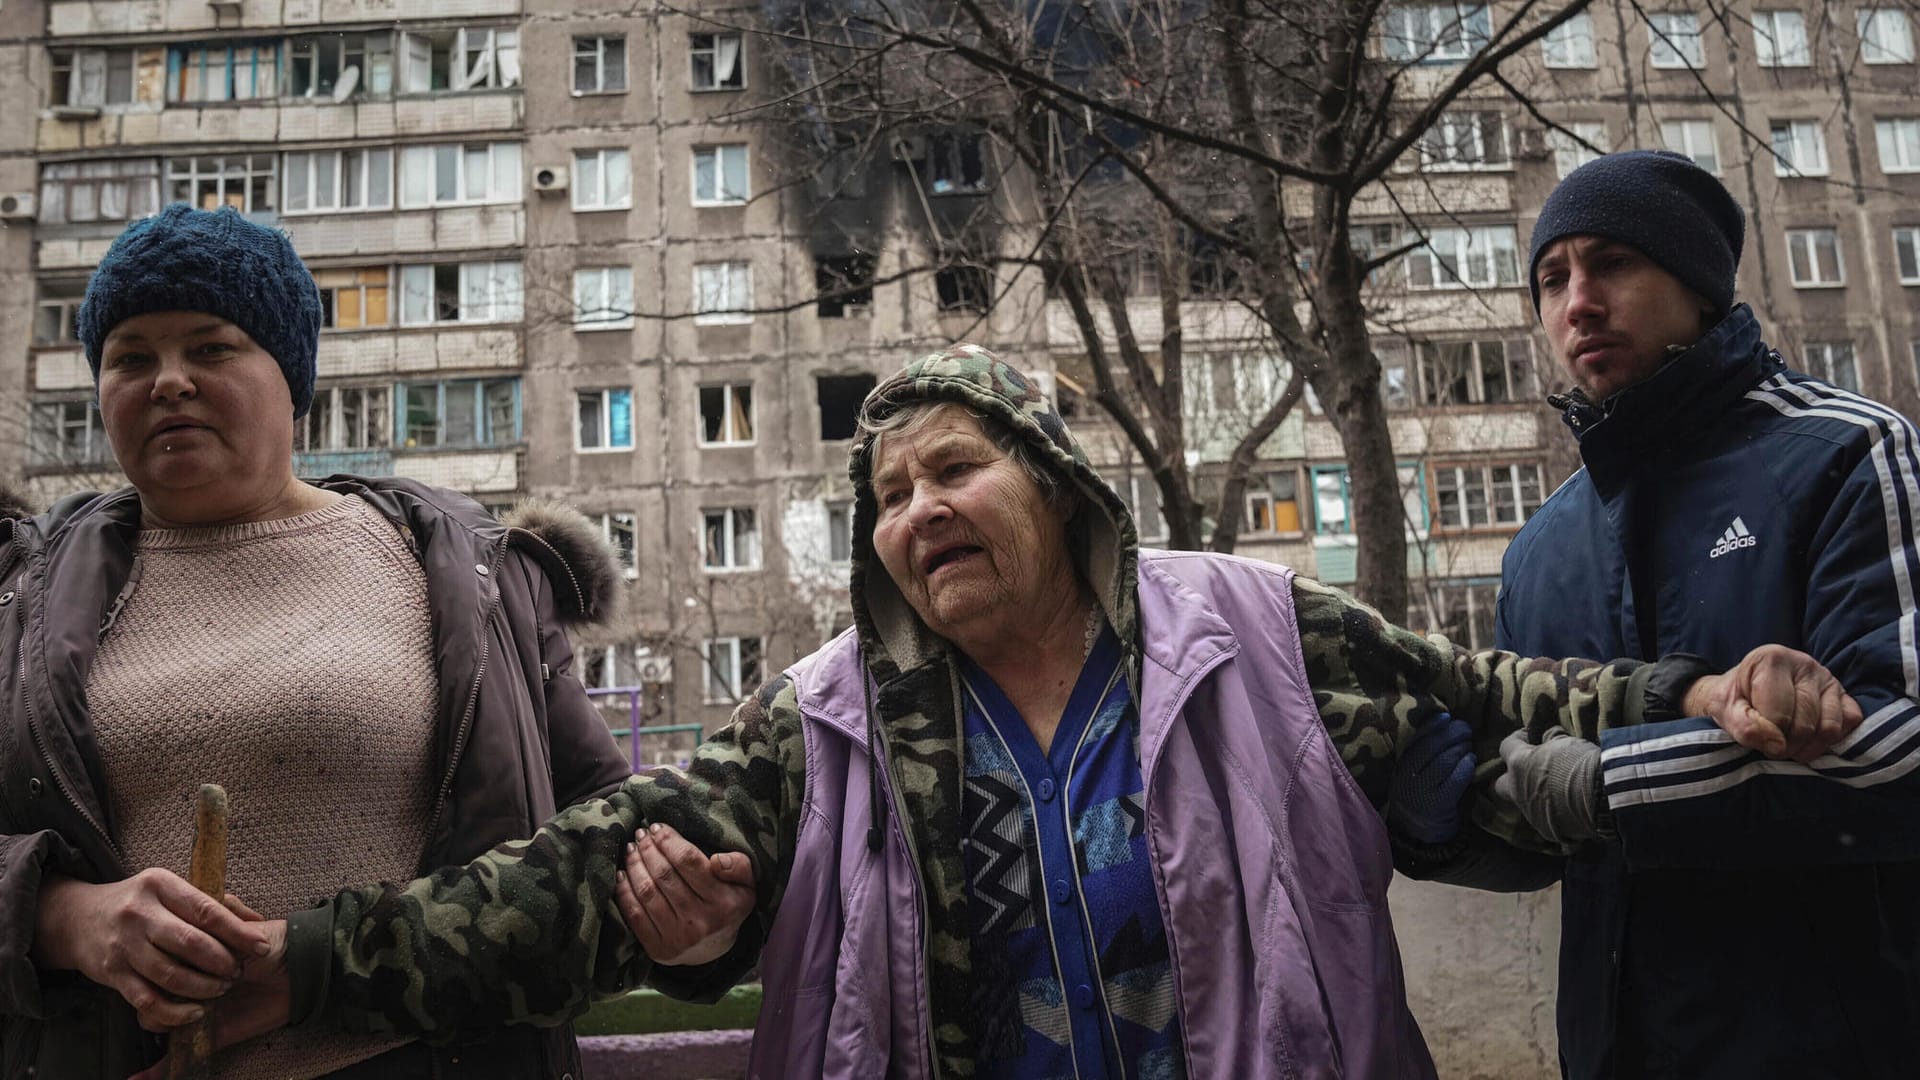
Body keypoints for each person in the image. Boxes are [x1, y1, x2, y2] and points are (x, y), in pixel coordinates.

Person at [172, 347, 1853, 1078]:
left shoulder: (1254, 630)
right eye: (888, 494)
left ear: (1054, 482)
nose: (918, 510)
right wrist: (314, 960)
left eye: (954, 465)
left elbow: (1485, 695)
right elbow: (560, 892)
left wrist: (1697, 687)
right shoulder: (822, 718)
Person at [0, 203, 657, 1078]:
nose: (167, 380)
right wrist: (59, 918)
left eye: (211, 346)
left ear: (292, 376)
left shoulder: (470, 575)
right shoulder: (19, 597)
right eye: (130, 357)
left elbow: (613, 843)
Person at [1488, 149, 1920, 1079]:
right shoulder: (1537, 551)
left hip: (1834, 1044)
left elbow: (1908, 744)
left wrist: (1611, 785)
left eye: (1613, 264)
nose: (1579, 304)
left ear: (1694, 282)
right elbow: (1521, 782)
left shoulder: (1847, 454)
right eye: (1553, 279)